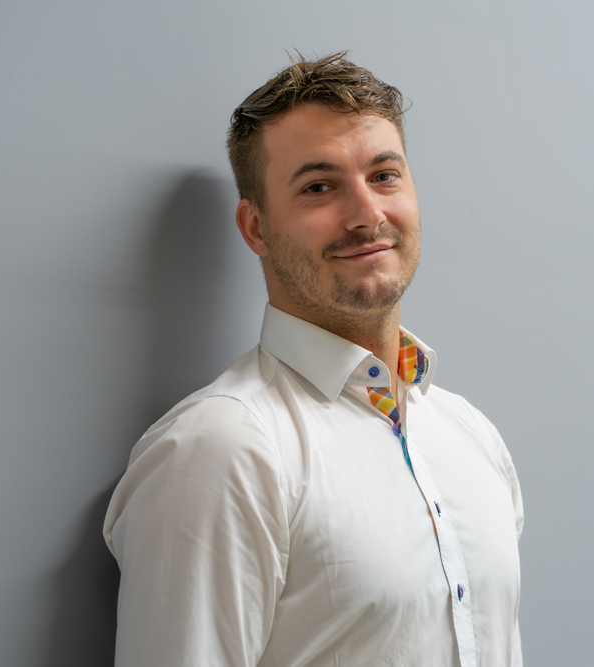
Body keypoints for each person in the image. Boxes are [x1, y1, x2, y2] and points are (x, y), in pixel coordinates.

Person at [103, 52, 524, 666]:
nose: (368, 215)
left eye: (384, 175)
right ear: (256, 228)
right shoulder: (222, 450)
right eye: (319, 187)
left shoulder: (471, 437)